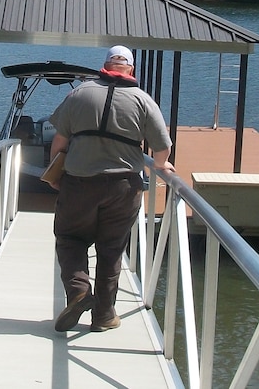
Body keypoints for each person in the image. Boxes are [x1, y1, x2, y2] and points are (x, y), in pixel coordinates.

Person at [47, 45, 174, 333]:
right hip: (124, 186)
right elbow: (163, 147)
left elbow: (59, 143)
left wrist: (55, 175)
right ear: (130, 69)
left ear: (104, 65)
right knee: (111, 248)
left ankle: (78, 291)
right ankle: (104, 315)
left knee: (70, 238)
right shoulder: (143, 100)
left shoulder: (79, 94)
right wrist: (161, 165)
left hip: (79, 182)